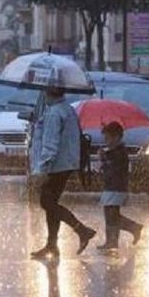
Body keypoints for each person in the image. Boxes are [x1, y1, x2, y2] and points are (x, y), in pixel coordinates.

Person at [30, 86, 96, 259]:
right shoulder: (68, 109)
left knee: (47, 203)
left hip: (55, 165)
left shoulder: (54, 113)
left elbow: (50, 144)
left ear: (47, 93)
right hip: (65, 163)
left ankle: (81, 230)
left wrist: (43, 169)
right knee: (51, 204)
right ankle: (52, 245)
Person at [96, 122, 143, 251]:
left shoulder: (119, 152)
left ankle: (132, 227)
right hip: (110, 186)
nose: (106, 141)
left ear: (116, 137)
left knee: (112, 215)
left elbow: (113, 169)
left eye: (107, 138)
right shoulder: (113, 151)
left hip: (116, 187)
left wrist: (104, 159)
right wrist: (104, 158)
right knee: (109, 214)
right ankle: (111, 241)